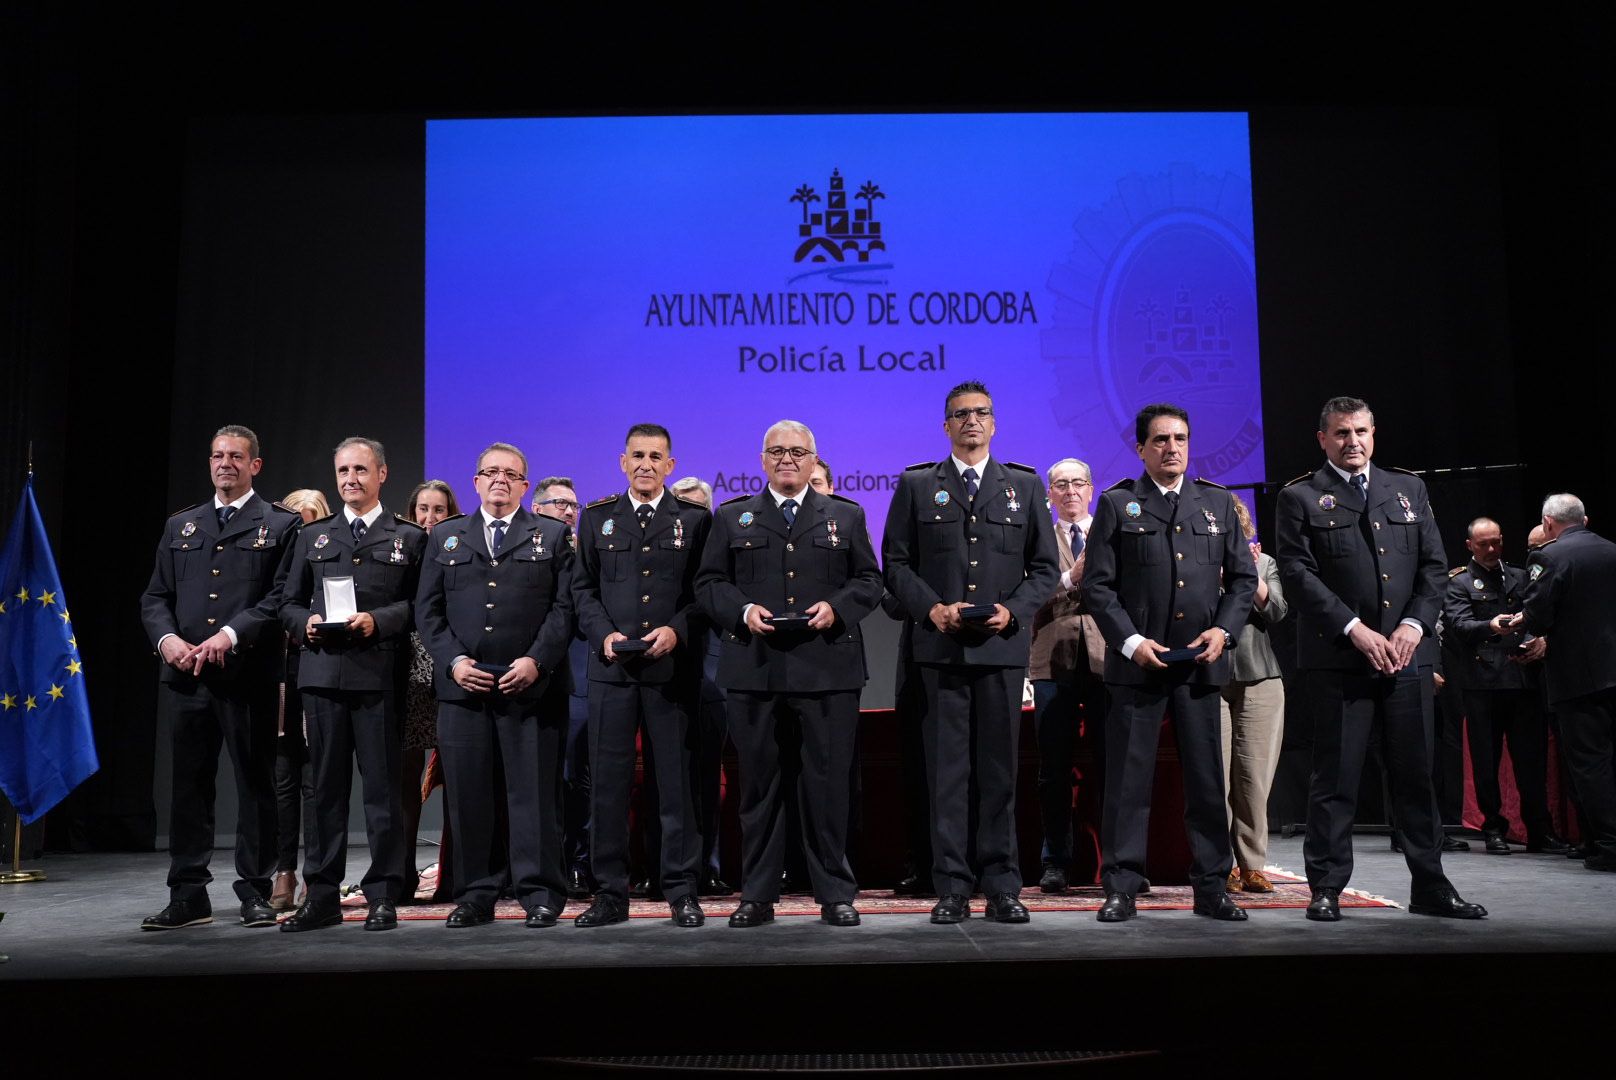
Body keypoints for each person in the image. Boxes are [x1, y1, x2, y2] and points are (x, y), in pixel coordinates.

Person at [1275, 396, 1485, 920]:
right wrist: (1355, 630)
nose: (1354, 442)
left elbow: (1435, 567)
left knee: (1416, 777)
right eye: (1342, 433)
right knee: (1336, 779)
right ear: (1322, 438)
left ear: (1374, 433)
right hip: (1341, 660)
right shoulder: (1299, 496)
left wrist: (1414, 625)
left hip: (1408, 659)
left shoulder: (1407, 488)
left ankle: (1430, 886)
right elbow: (1298, 576)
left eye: (1362, 432)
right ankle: (1326, 887)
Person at [883, 380, 1059, 924]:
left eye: (981, 413)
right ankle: (953, 886)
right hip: (940, 650)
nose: (971, 422)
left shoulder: (1023, 487)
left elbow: (1046, 569)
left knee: (1000, 774)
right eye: (960, 415)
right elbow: (896, 563)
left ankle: (1002, 884)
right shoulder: (917, 485)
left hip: (1001, 651)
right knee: (948, 775)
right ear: (946, 426)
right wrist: (931, 609)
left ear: (994, 423)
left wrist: (1014, 610)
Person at [697, 420, 883, 927]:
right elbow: (709, 583)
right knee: (759, 789)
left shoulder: (844, 515)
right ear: (762, 460)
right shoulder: (733, 517)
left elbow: (870, 580)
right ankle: (757, 895)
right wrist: (742, 611)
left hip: (827, 668)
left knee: (827, 788)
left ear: (812, 459)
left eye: (797, 452)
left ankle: (835, 894)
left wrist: (836, 608)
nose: (787, 459)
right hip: (755, 671)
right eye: (777, 451)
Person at [1084, 404, 1256, 922]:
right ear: (1141, 448)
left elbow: (1244, 581)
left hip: (1200, 663)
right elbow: (1097, 586)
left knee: (1206, 781)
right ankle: (1122, 884)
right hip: (1138, 664)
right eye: (1160, 440)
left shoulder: (1218, 504)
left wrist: (1224, 631)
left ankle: (1211, 886)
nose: (1172, 448)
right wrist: (1131, 642)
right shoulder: (1119, 504)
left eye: (1180, 438)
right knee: (1128, 784)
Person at [138, 425, 302, 930]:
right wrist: (168, 642)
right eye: (217, 456)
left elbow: (279, 599)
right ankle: (188, 893)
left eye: (236, 456)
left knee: (255, 785)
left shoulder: (279, 525)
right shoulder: (181, 526)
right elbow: (155, 598)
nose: (225, 463)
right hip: (188, 677)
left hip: (246, 676)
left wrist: (230, 635)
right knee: (189, 787)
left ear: (256, 465)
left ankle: (254, 890)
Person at [415, 443, 576, 927]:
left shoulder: (550, 535)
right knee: (469, 797)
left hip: (530, 689)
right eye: (491, 472)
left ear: (526, 486)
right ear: (476, 482)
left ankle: (540, 893)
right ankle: (476, 893)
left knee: (534, 796)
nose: (500, 480)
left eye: (511, 474)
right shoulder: (445, 537)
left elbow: (564, 608)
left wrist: (537, 661)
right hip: (464, 690)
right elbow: (428, 610)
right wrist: (452, 662)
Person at [273, 437, 425, 932]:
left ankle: (383, 893)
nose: (350, 479)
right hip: (321, 676)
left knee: (382, 792)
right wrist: (306, 623)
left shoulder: (408, 537)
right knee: (325, 794)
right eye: (342, 471)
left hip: (379, 678)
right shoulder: (312, 535)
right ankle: (321, 896)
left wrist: (377, 621)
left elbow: (420, 606)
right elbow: (286, 602)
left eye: (360, 469)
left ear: (382, 474)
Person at [571, 426, 712, 927]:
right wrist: (603, 634)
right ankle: (609, 893)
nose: (647, 464)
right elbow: (582, 589)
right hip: (612, 670)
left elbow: (705, 593)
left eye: (656, 456)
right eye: (638, 456)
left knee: (673, 785)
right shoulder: (597, 518)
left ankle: (680, 889)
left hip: (671, 670)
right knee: (607, 787)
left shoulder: (694, 521)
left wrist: (677, 630)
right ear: (622, 462)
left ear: (670, 465)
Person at [1442, 516, 1568, 855]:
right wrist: (1489, 625)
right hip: (1483, 683)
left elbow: (1540, 613)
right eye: (1483, 544)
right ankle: (1493, 828)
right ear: (1470, 545)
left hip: (1524, 679)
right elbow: (1458, 626)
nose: (1491, 549)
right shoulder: (1460, 583)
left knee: (1531, 761)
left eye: (1496, 541)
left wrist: (1539, 638)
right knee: (1486, 761)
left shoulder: (1521, 576)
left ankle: (1539, 830)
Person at [1516, 493, 1616, 872]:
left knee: (1591, 762)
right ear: (1585, 520)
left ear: (1547, 524)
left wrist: (1528, 625)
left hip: (1581, 677)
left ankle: (1608, 843)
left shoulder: (1549, 556)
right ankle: (1598, 840)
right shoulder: (1612, 551)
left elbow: (1539, 615)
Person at [1027, 457, 1107, 894]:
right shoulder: (1036, 537)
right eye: (1061, 484)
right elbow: (1026, 591)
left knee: (1110, 763)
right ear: (1050, 494)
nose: (1071, 491)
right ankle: (1055, 861)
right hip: (1051, 660)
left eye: (1078, 483)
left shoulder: (1109, 532)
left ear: (1090, 489)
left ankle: (1118, 860)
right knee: (1052, 768)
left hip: (1106, 659)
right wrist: (1069, 579)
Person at [1219, 493, 1288, 894]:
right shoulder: (1193, 565)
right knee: (1216, 776)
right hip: (1209, 678)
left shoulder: (1263, 563)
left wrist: (1248, 573)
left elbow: (1277, 610)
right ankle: (1220, 862)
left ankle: (1252, 865)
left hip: (1260, 677)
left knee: (1253, 778)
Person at [671, 475, 733, 896]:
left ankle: (708, 863)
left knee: (708, 775)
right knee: (671, 776)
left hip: (714, 665)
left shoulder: (723, 551)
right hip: (668, 666)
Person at [534, 476, 595, 899]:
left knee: (578, 774)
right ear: (537, 509)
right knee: (537, 777)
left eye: (574, 505)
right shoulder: (520, 550)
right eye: (560, 504)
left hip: (578, 671)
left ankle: (578, 864)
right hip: (532, 672)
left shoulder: (584, 552)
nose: (570, 511)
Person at [269, 487, 329, 911]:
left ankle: (317, 874)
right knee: (284, 777)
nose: (302, 530)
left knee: (317, 780)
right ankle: (284, 871)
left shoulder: (333, 560)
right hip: (278, 678)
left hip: (319, 674)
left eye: (310, 521)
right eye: (296, 522)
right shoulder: (272, 569)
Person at [401, 479, 460, 900]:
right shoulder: (399, 554)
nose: (429, 518)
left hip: (450, 672)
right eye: (423, 509)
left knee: (459, 780)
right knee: (405, 783)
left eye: (438, 510)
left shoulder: (460, 552)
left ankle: (454, 875)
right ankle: (401, 872)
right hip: (406, 677)